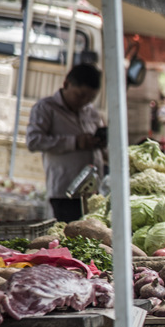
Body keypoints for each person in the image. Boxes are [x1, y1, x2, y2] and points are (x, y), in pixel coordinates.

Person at [27, 63, 106, 223]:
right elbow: (34, 141)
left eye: (90, 98)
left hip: (93, 193)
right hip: (65, 194)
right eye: (80, 95)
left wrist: (100, 142)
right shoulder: (46, 108)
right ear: (66, 84)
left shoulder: (90, 111)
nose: (84, 101)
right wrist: (74, 142)